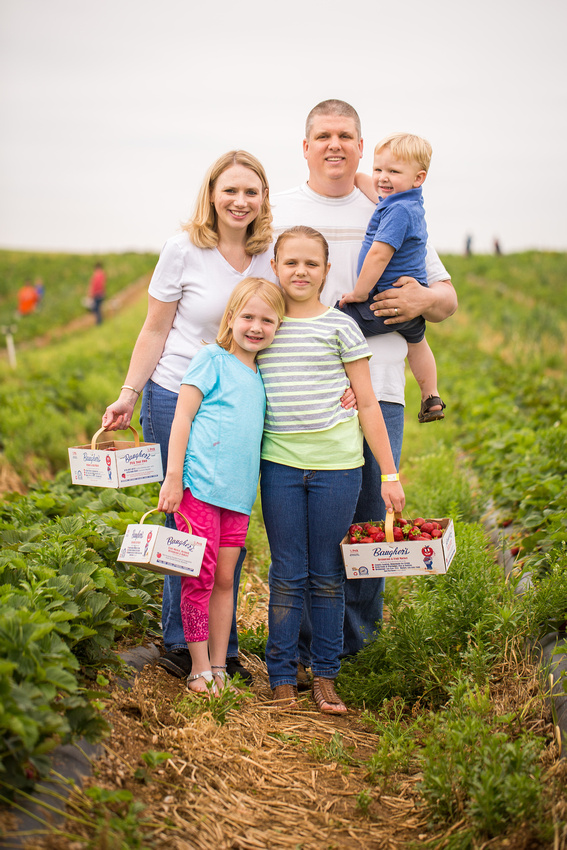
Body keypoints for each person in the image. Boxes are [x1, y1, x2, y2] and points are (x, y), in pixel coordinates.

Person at [271, 99, 457, 667]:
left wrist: (423, 299)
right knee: (305, 527)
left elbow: (445, 298)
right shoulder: (280, 212)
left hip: (380, 388)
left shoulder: (387, 203)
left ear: (360, 144)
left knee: (368, 521)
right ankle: (304, 652)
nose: (335, 144)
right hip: (301, 395)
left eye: (346, 135)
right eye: (323, 135)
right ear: (304, 146)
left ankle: (356, 650)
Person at [101, 150, 275, 685]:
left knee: (225, 525)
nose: (240, 201)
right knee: (187, 524)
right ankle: (181, 646)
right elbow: (155, 329)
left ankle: (222, 650)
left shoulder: (268, 254)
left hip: (239, 399)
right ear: (212, 195)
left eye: (251, 191)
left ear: (264, 197)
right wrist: (130, 392)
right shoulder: (183, 250)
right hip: (176, 392)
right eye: (230, 190)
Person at [258, 226, 405, 712]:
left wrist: (389, 473)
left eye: (311, 264)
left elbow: (366, 401)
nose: (300, 272)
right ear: (275, 267)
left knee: (326, 574)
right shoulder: (265, 325)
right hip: (279, 465)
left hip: (338, 468)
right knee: (286, 572)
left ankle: (325, 675)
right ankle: (281, 674)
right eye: (290, 263)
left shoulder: (341, 326)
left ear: (325, 270)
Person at [157, 277, 284, 694]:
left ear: (278, 326)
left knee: (226, 579)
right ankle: (198, 668)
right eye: (248, 316)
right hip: (200, 488)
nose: (256, 326)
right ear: (231, 318)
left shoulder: (263, 374)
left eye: (268, 319)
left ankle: (219, 665)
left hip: (238, 496)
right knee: (200, 577)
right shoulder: (211, 359)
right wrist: (174, 478)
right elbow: (182, 418)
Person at [338, 132, 445, 424]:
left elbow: (378, 256)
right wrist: (360, 176)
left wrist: (359, 294)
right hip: (410, 305)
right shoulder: (407, 201)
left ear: (418, 178)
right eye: (378, 169)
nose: (382, 178)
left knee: (338, 323)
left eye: (393, 171)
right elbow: (371, 184)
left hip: (383, 301)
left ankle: (342, 386)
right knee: (418, 342)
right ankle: (430, 395)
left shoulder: (397, 211)